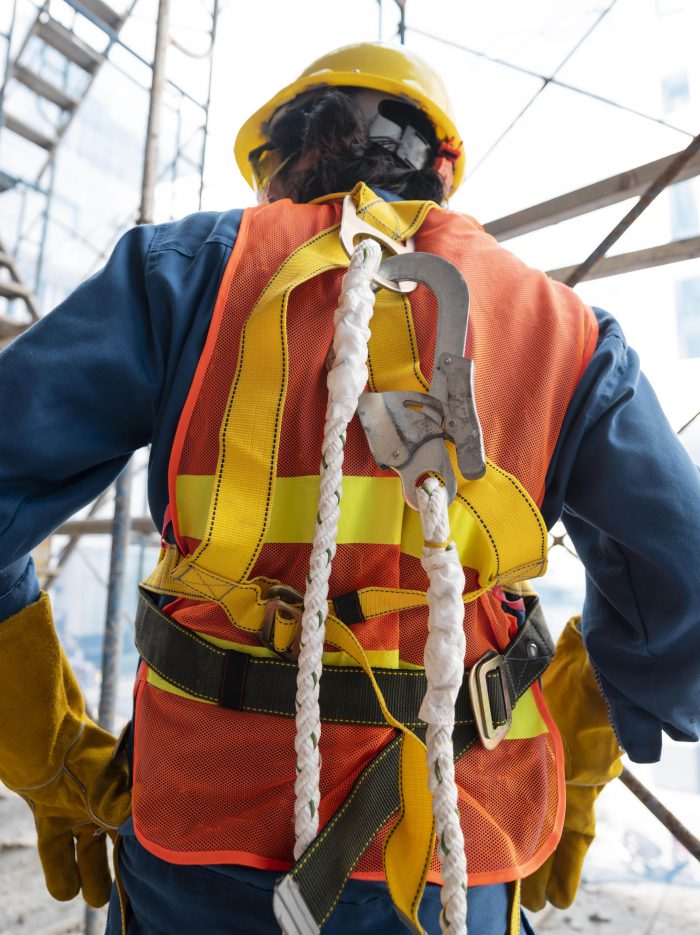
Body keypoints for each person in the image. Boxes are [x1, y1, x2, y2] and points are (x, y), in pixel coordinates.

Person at [0, 41, 699, 935]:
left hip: (200, 832)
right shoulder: (559, 328)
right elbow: (683, 570)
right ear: (440, 167)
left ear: (278, 165)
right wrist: (592, 733)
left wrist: (43, 743)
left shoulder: (182, 277)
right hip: (457, 844)